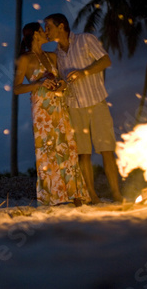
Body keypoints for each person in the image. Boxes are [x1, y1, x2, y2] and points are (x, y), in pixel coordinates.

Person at [44, 13, 124, 204]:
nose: (46, 31)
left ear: (61, 26)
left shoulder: (85, 39)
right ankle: (94, 197)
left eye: (48, 27)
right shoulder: (57, 55)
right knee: (83, 153)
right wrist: (61, 85)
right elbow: (63, 81)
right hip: (74, 106)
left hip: (96, 102)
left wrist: (84, 72)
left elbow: (105, 61)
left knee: (106, 149)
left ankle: (117, 195)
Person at [14, 22, 91, 206]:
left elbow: (61, 79)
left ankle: (75, 194)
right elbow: (16, 88)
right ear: (34, 35)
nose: (45, 32)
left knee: (68, 147)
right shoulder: (24, 59)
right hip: (41, 110)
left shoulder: (52, 56)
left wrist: (62, 84)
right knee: (47, 151)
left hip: (59, 106)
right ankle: (52, 196)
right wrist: (39, 84)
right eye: (42, 31)